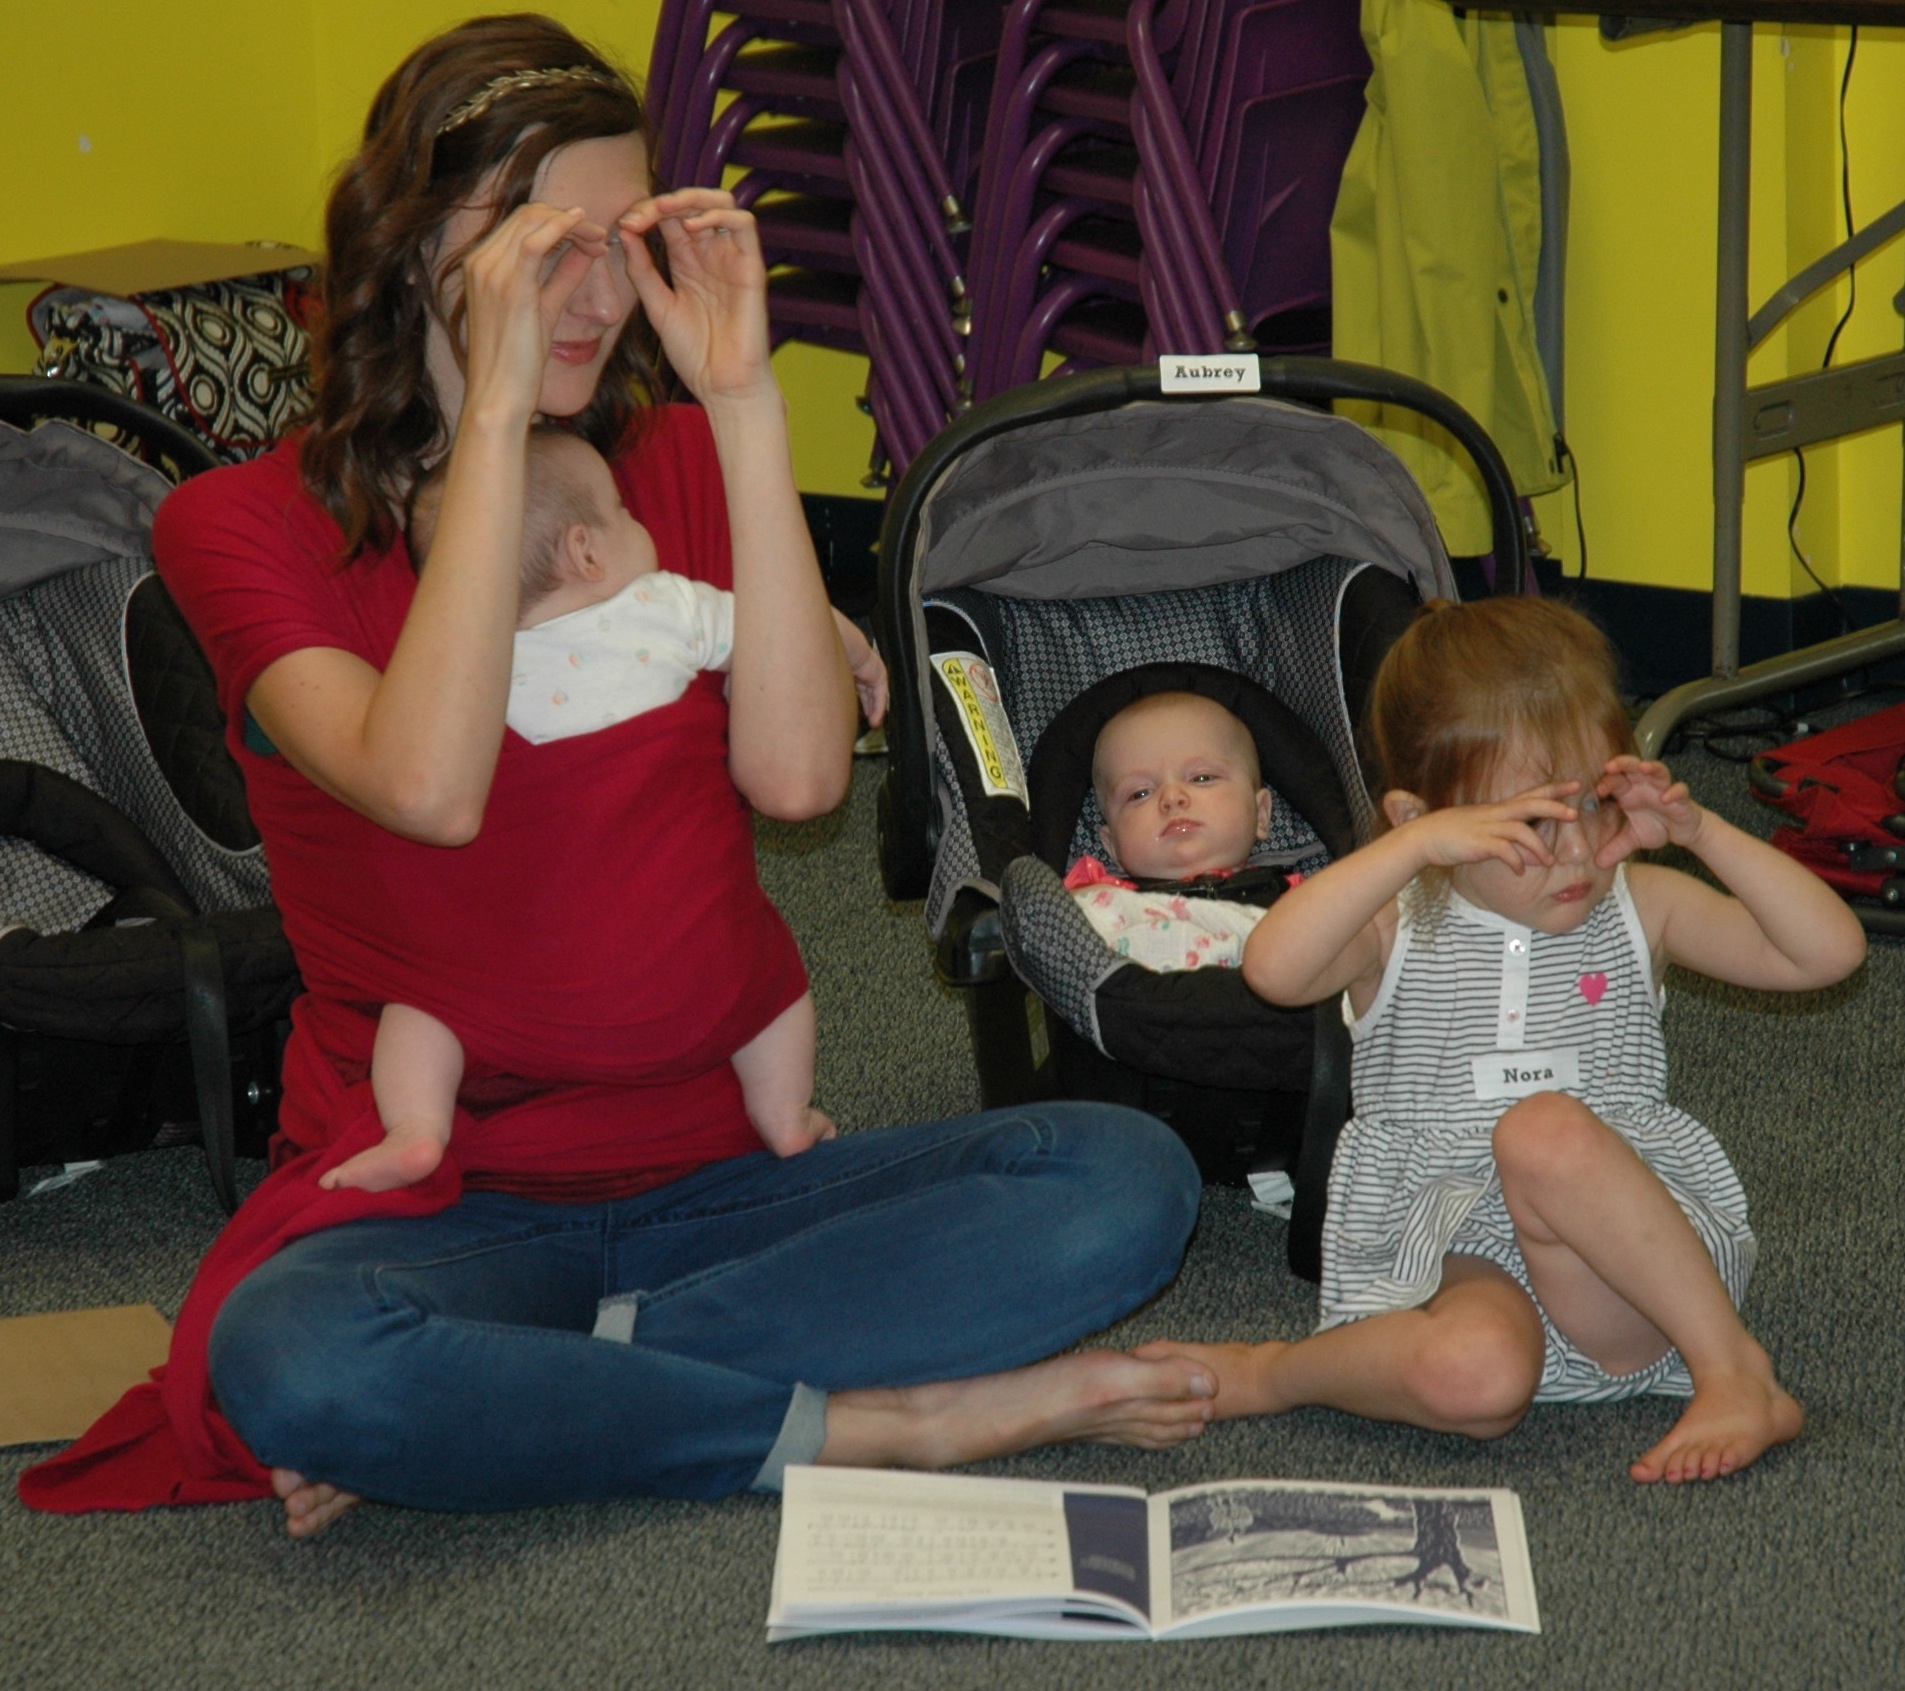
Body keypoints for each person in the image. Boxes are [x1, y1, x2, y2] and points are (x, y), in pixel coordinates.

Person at [19, 16, 1214, 1536]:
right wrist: (500, 423)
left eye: (619, 244)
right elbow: (429, 783)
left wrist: (743, 403)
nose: (595, 297)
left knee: (1123, 1174)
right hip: (452, 1192)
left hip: (717, 1180)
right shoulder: (238, 526)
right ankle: (874, 1423)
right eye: (548, 248)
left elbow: (797, 782)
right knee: (292, 1352)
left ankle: (529, 1394)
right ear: (415, 248)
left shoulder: (660, 468)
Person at [1138, 597, 1865, 1483]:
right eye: (1529, 824)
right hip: (1459, 1252)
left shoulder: (1641, 904)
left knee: (1541, 1130)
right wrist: (1406, 854)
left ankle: (1734, 1369)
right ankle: (1277, 1372)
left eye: (1592, 805)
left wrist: (1700, 832)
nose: (1572, 854)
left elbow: (1828, 954)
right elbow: (1273, 969)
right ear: (1431, 823)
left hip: (1631, 1276)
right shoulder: (1395, 924)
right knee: (1472, 1376)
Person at [321, 430, 888, 1192]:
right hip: (695, 981)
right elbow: (781, 627)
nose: (643, 528)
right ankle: (784, 1110)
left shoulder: (461, 664)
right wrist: (852, 647)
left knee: (422, 1006)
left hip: (520, 991)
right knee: (775, 979)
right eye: (624, 514)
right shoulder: (663, 608)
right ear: (587, 552)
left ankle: (418, 1125)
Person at [1065, 690, 1277, 973]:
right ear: (1112, 846)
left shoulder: (1309, 901)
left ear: (1261, 815)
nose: (1172, 798)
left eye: (1202, 778)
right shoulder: (1091, 906)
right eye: (1140, 793)